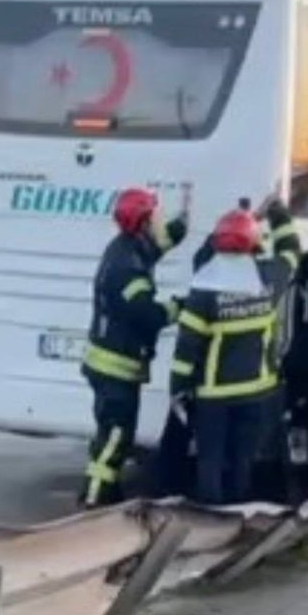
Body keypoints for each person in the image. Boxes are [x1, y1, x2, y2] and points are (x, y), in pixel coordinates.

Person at [169, 195, 301, 505]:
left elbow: (186, 348)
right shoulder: (269, 279)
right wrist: (277, 215)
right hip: (258, 393)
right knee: (243, 462)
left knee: (210, 462)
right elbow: (291, 252)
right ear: (253, 243)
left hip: (214, 398)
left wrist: (178, 389)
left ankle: (210, 523)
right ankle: (238, 518)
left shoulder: (204, 289)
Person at [80, 188, 188, 508]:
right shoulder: (126, 267)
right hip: (115, 368)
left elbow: (159, 244)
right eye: (154, 214)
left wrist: (182, 224)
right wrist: (180, 306)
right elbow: (148, 315)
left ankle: (100, 490)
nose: (159, 219)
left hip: (112, 364)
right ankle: (95, 499)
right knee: (116, 435)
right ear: (142, 222)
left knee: (110, 433)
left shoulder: (132, 248)